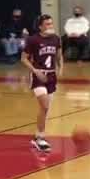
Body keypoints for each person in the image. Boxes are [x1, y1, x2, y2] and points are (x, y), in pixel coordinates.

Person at [21, 14, 62, 153]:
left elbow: (59, 55)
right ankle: (41, 138)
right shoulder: (33, 40)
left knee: (46, 109)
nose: (50, 26)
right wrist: (35, 71)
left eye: (51, 23)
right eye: (47, 24)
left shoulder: (56, 38)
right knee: (44, 106)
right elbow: (24, 59)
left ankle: (38, 135)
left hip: (51, 75)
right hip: (39, 75)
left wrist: (60, 68)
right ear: (40, 26)